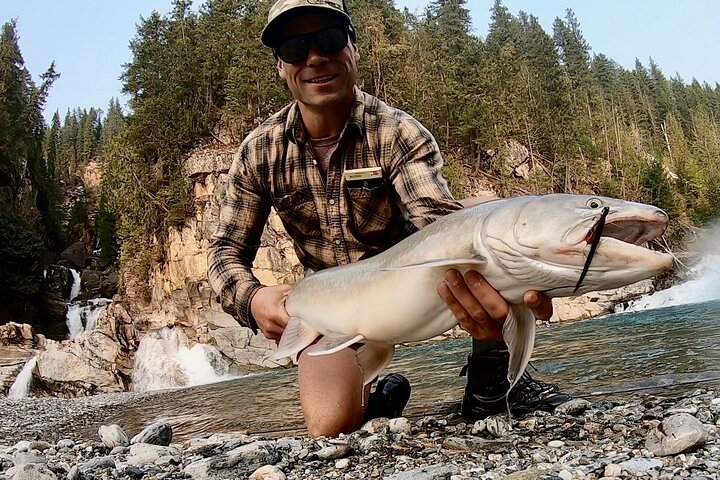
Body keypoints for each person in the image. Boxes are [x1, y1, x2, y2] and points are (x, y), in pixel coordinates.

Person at [208, 0, 570, 438]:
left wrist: (524, 274)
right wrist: (251, 299)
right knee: (328, 426)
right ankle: (377, 399)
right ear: (281, 67)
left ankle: (496, 379)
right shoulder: (259, 152)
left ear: (352, 49)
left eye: (328, 39)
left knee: (476, 232)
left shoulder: (398, 132)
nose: (315, 57)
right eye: (295, 46)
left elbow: (437, 224)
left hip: (416, 285)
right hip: (332, 310)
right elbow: (226, 251)